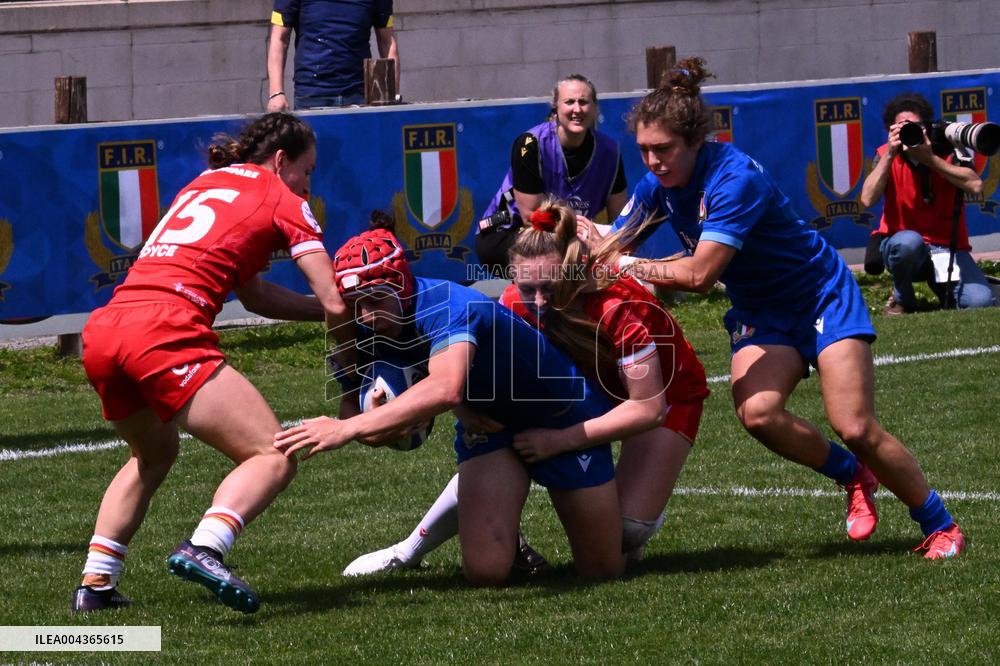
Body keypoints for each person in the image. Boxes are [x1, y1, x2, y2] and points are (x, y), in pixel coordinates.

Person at [613, 57, 966, 559]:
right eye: (644, 150)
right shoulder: (658, 186)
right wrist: (571, 240)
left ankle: (941, 525)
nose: (652, 162)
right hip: (762, 307)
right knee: (758, 414)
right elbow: (612, 242)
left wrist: (625, 264)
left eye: (664, 150)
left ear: (696, 141)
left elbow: (697, 276)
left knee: (855, 426)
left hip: (819, 294)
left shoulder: (734, 179)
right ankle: (853, 476)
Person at [340, 199, 709, 576]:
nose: (537, 301)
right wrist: (465, 411)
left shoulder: (619, 309)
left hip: (663, 394)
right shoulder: (515, 302)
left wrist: (561, 441)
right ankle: (415, 548)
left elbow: (648, 409)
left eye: (548, 288)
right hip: (576, 390)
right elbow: (475, 375)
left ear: (573, 270)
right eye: (526, 286)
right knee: (494, 445)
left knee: (627, 531)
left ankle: (638, 512)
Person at [72, 112, 348, 613]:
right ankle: (206, 546)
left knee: (152, 456)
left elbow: (255, 295)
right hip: (162, 332)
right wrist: (357, 349)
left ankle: (96, 586)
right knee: (273, 453)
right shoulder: (283, 199)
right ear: (281, 161)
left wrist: (317, 314)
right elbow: (333, 300)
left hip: (107, 330)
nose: (308, 185)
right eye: (307, 171)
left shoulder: (205, 181)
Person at [274, 215, 626, 584]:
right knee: (486, 572)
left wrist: (346, 429)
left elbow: (446, 387)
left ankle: (630, 526)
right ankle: (509, 537)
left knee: (602, 571)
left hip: (561, 415)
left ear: (402, 286)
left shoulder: (448, 305)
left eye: (375, 300)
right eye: (355, 303)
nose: (366, 314)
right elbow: (355, 409)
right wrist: (381, 424)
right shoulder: (365, 324)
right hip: (489, 422)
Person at [475, 74, 628, 273]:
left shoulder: (611, 151)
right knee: (563, 261)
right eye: (569, 102)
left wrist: (614, 251)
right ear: (555, 108)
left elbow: (622, 220)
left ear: (595, 108)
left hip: (567, 237)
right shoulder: (530, 144)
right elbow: (532, 218)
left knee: (600, 259)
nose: (577, 109)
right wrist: (583, 238)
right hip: (507, 233)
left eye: (583, 102)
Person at [859, 92, 993, 315]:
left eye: (914, 126)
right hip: (906, 244)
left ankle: (946, 289)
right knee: (907, 244)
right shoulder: (884, 154)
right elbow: (867, 199)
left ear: (927, 127)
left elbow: (976, 186)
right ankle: (903, 300)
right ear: (890, 130)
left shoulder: (947, 150)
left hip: (947, 248)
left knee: (980, 301)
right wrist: (891, 153)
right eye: (900, 127)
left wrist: (929, 159)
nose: (907, 131)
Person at [267, 0, 399, 111]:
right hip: (312, 96)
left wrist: (394, 95)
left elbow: (387, 41)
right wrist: (276, 93)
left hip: (359, 95)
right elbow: (279, 38)